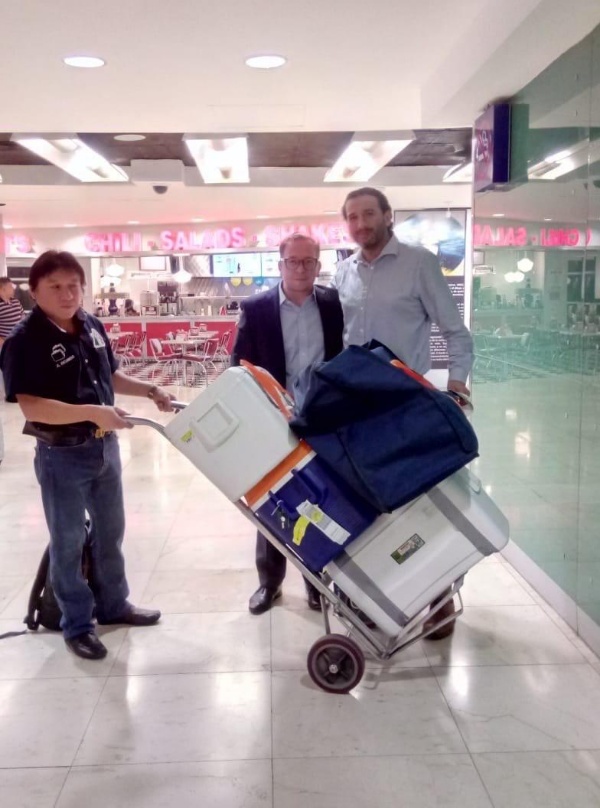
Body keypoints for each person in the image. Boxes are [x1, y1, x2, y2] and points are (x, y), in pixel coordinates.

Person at [0, 250, 175, 661]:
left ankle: (114, 604)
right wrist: (93, 412)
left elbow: (110, 375)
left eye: (73, 286)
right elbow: (32, 407)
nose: (67, 294)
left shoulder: (91, 325)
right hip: (62, 455)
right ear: (34, 291)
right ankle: (77, 624)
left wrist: (149, 390)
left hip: (104, 447)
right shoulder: (24, 341)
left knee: (111, 531)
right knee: (68, 540)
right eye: (55, 287)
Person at [333, 188, 474, 639]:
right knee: (372, 505)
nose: (361, 224)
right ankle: (377, 598)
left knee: (424, 504)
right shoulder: (343, 272)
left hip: (408, 403)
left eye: (368, 214)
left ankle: (439, 596)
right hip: (359, 407)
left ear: (387, 215)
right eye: (352, 217)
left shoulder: (419, 263)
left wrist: (457, 386)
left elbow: (455, 331)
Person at [231, 234, 344, 615]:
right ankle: (270, 582)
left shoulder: (333, 304)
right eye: (293, 261)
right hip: (274, 418)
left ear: (318, 265)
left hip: (322, 417)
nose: (300, 269)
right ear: (280, 265)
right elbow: (239, 366)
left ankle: (316, 581)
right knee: (272, 500)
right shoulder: (257, 308)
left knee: (322, 500)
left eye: (308, 261)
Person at [0, 277, 24, 348]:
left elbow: (23, 318)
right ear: (3, 289)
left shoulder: (16, 301)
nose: (13, 289)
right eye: (10, 286)